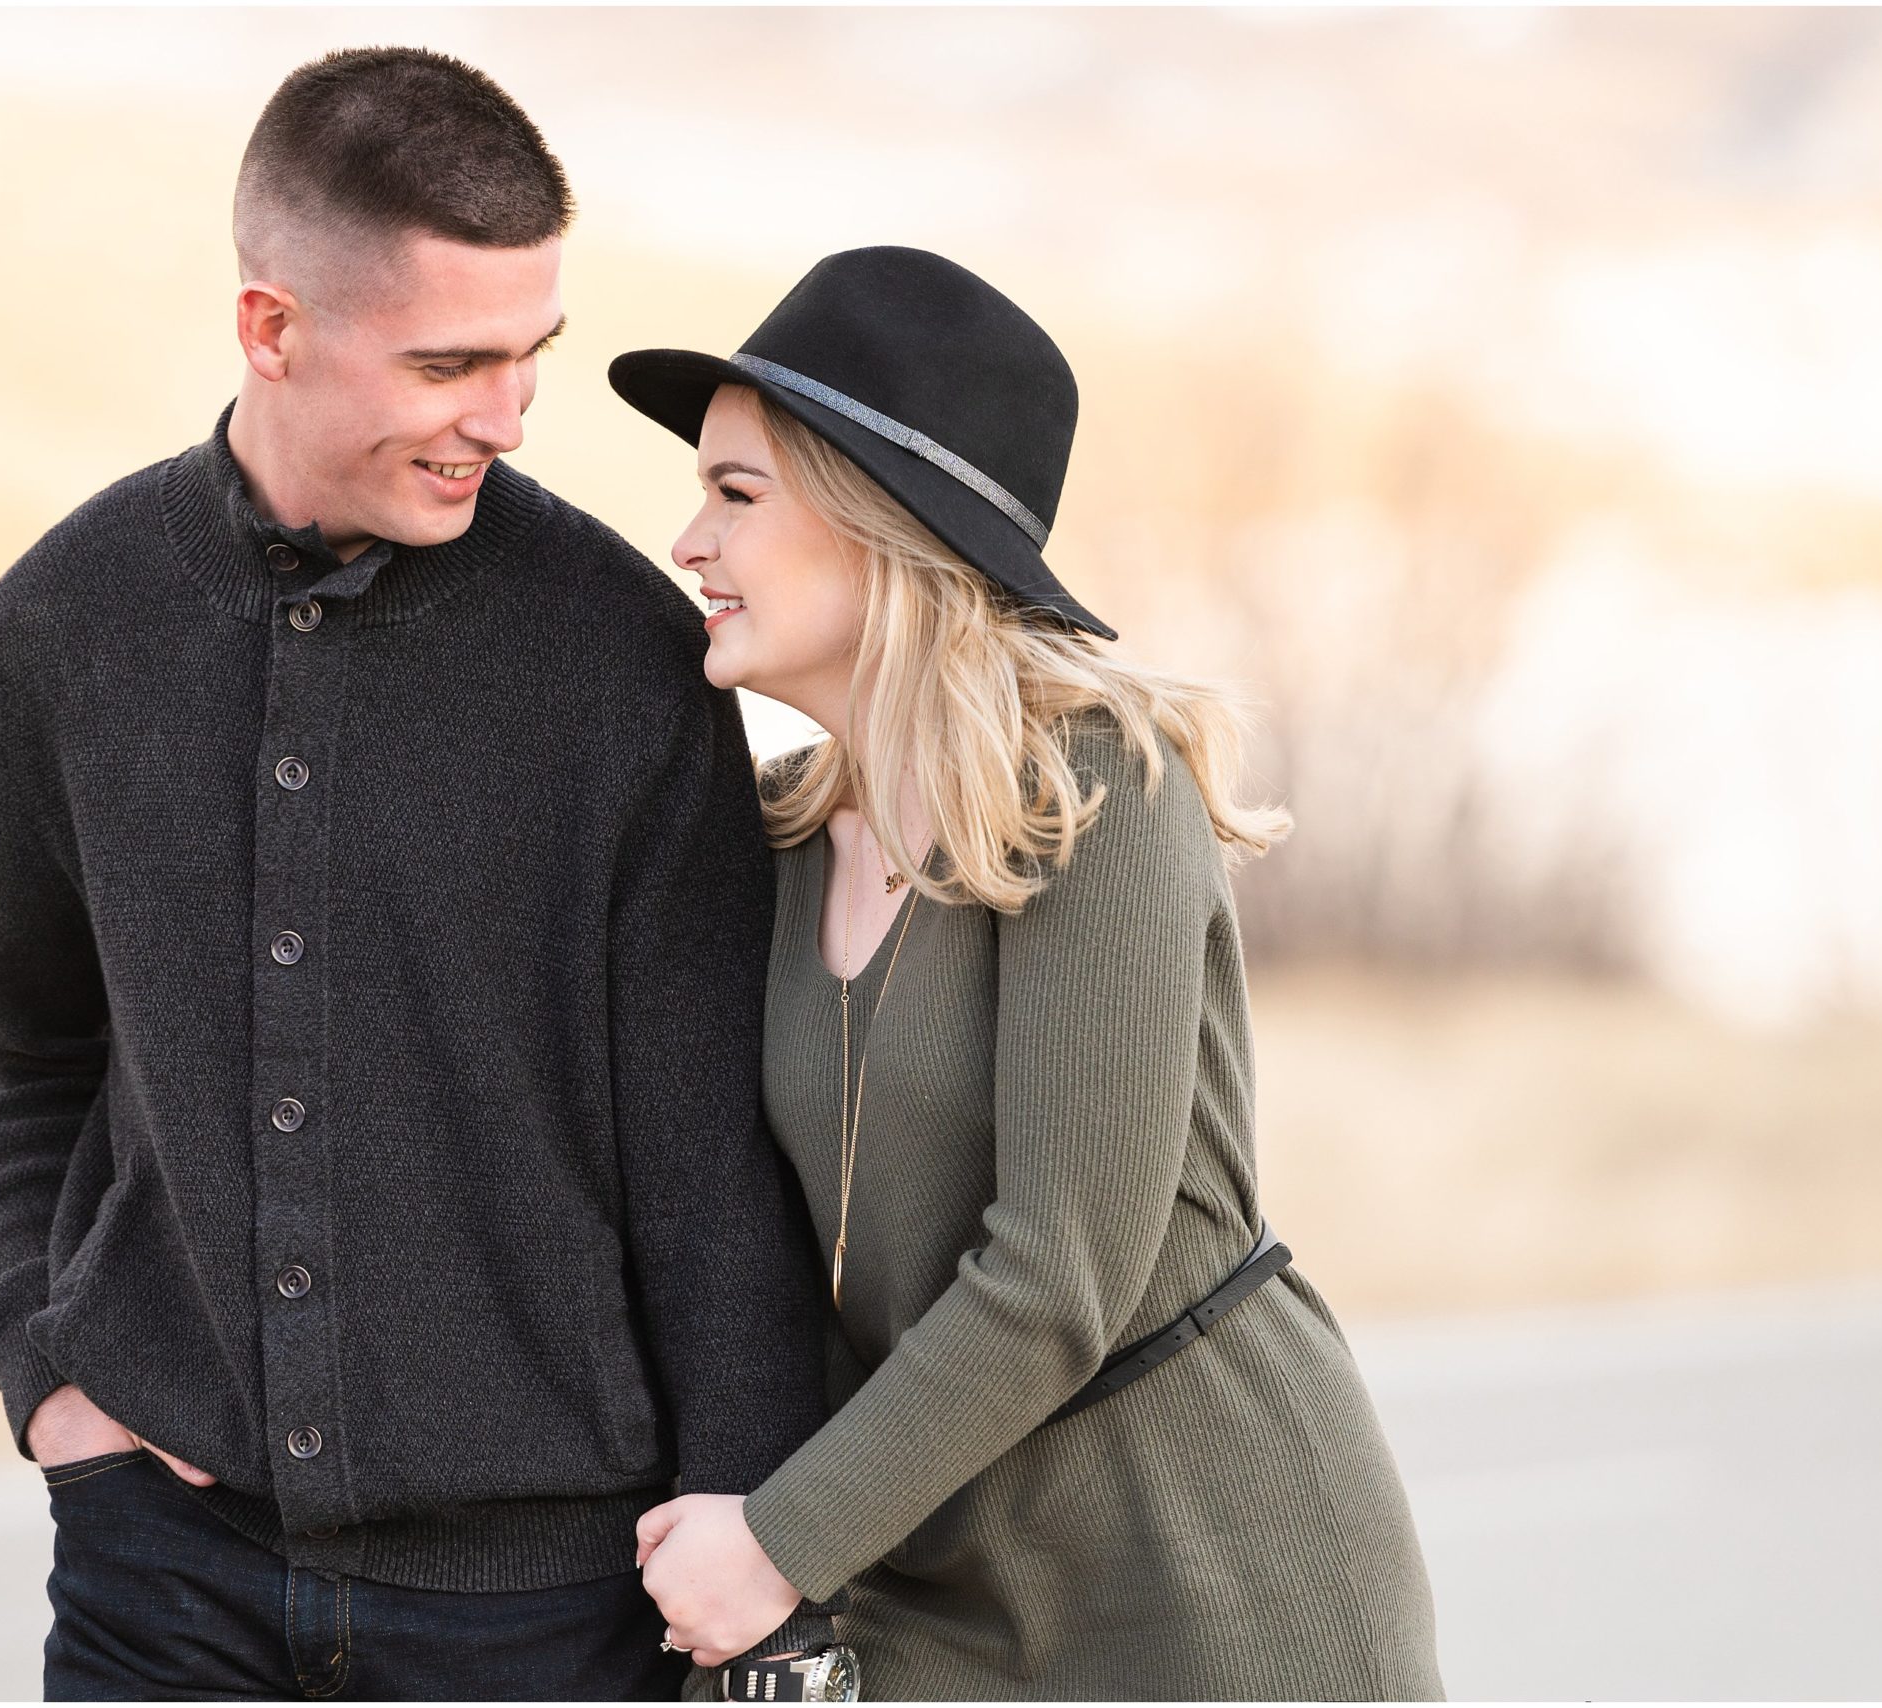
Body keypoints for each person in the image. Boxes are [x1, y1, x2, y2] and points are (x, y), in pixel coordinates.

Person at [0, 46, 838, 1700]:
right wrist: (43, 1368)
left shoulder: (625, 662)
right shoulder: (63, 631)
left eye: (529, 358)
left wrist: (752, 1549)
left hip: (543, 1612)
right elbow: (31, 1056)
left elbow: (709, 1160)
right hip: (161, 1578)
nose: (502, 420)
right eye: (450, 362)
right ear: (270, 328)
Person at [610, 247, 1447, 1700]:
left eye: (736, 495)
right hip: (938, 1598)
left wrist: (778, 1544)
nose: (689, 540)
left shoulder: (1096, 789)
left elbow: (1059, 1271)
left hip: (1210, 1579)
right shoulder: (783, 833)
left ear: (885, 527)